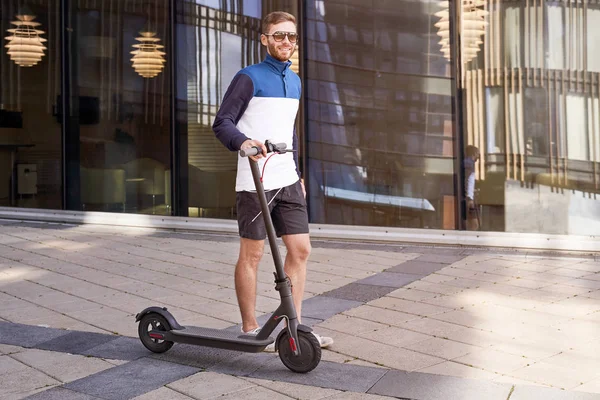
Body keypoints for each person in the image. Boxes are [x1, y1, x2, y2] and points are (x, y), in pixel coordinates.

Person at [212, 11, 333, 351]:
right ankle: (250, 328)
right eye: (279, 36)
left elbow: (288, 131)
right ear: (264, 39)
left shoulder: (294, 81)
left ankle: (291, 329)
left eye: (292, 37)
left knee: (301, 250)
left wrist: (298, 171)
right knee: (253, 254)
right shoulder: (248, 77)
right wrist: (244, 142)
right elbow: (222, 123)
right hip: (255, 179)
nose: (287, 42)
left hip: (287, 176)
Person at [464, 145, 480, 230]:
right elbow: (466, 180)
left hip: (468, 197)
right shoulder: (468, 163)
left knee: (470, 223)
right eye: (478, 153)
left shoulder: (469, 163)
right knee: (474, 224)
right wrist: (469, 197)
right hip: (468, 199)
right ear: (474, 153)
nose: (479, 156)